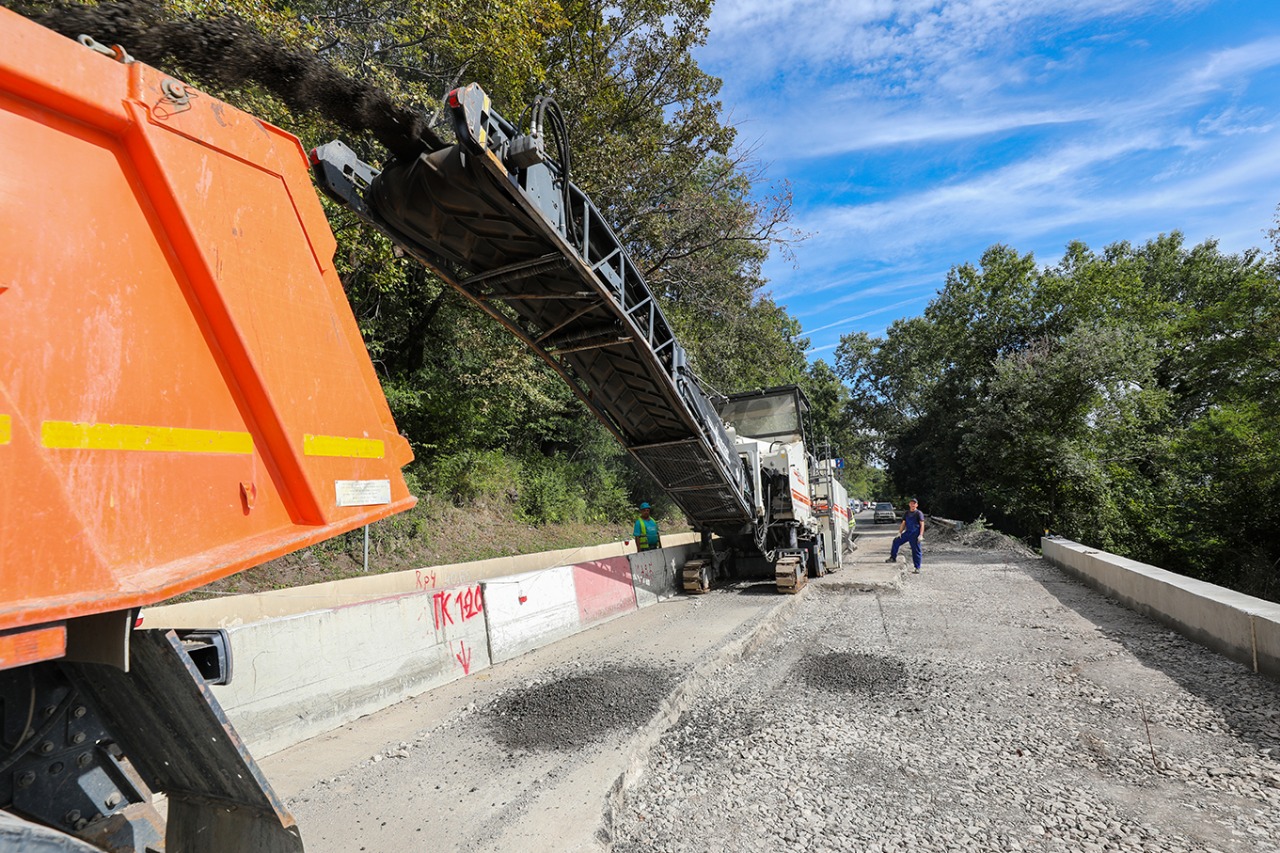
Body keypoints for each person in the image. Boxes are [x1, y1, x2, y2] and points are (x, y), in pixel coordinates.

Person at [887, 498, 925, 572]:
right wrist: (900, 532)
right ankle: (893, 558)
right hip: (908, 533)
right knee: (896, 541)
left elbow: (922, 524)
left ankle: (917, 567)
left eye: (914, 503)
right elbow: (903, 523)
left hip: (915, 534)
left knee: (916, 550)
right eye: (911, 503)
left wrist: (921, 535)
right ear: (909, 504)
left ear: (916, 505)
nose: (912, 505)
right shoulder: (906, 513)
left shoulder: (918, 513)